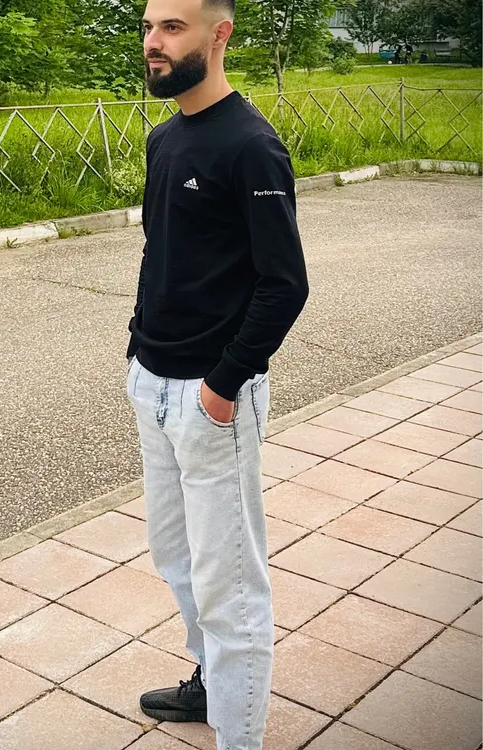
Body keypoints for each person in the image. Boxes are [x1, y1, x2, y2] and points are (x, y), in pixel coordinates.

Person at [125, 0, 309, 748]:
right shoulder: (164, 138)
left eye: (172, 28)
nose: (154, 43)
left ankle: (241, 737)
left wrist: (223, 385)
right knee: (176, 558)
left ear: (219, 33)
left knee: (230, 587)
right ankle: (210, 683)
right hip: (151, 381)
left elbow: (285, 284)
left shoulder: (251, 146)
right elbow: (161, 252)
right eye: (148, 27)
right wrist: (137, 346)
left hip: (211, 399)